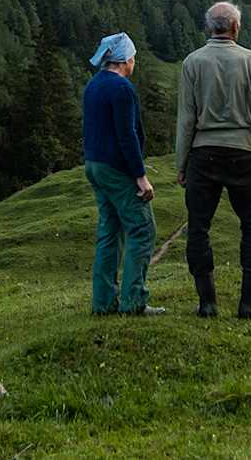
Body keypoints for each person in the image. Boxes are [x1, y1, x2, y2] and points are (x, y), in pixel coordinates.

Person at [175, 2, 251, 319]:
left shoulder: (193, 62)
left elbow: (186, 119)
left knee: (199, 228)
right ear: (235, 28)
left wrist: (181, 164)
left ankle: (207, 303)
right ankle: (248, 305)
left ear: (209, 28)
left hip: (204, 155)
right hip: (246, 153)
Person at [81, 32, 164, 316]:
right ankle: (133, 301)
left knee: (109, 230)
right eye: (134, 58)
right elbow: (126, 135)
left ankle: (103, 302)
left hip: (94, 164)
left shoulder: (93, 85)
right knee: (142, 229)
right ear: (125, 60)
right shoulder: (122, 88)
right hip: (116, 168)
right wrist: (140, 175)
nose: (134, 63)